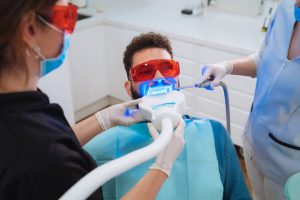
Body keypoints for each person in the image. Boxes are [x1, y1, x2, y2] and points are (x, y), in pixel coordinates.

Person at [0, 1, 185, 199]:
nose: (158, 78)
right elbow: (46, 151)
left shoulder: (25, 106)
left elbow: (53, 139)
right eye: (67, 16)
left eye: (167, 68)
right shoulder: (46, 164)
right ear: (29, 28)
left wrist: (102, 118)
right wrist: (161, 168)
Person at [84, 32, 251, 199]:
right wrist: (102, 119)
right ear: (128, 88)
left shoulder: (214, 134)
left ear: (177, 79)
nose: (159, 78)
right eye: (144, 72)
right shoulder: (103, 147)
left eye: (167, 68)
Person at [200, 0, 300, 199]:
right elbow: (263, 59)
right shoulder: (285, 9)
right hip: (254, 144)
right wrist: (227, 66)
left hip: (288, 170)